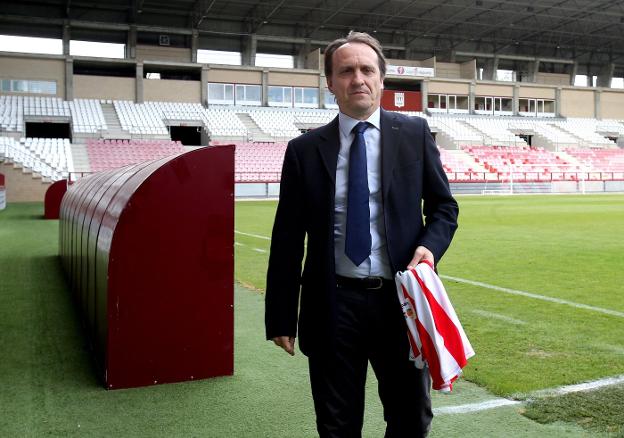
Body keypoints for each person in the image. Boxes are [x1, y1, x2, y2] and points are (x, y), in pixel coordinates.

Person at [265, 31, 459, 437]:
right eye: (347, 71)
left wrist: (428, 247)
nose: (358, 79)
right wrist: (281, 315)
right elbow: (287, 239)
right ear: (331, 83)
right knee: (337, 426)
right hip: (332, 306)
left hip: (400, 305)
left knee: (410, 419)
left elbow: (444, 208)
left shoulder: (414, 135)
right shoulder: (304, 150)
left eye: (367, 69)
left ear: (381, 79)